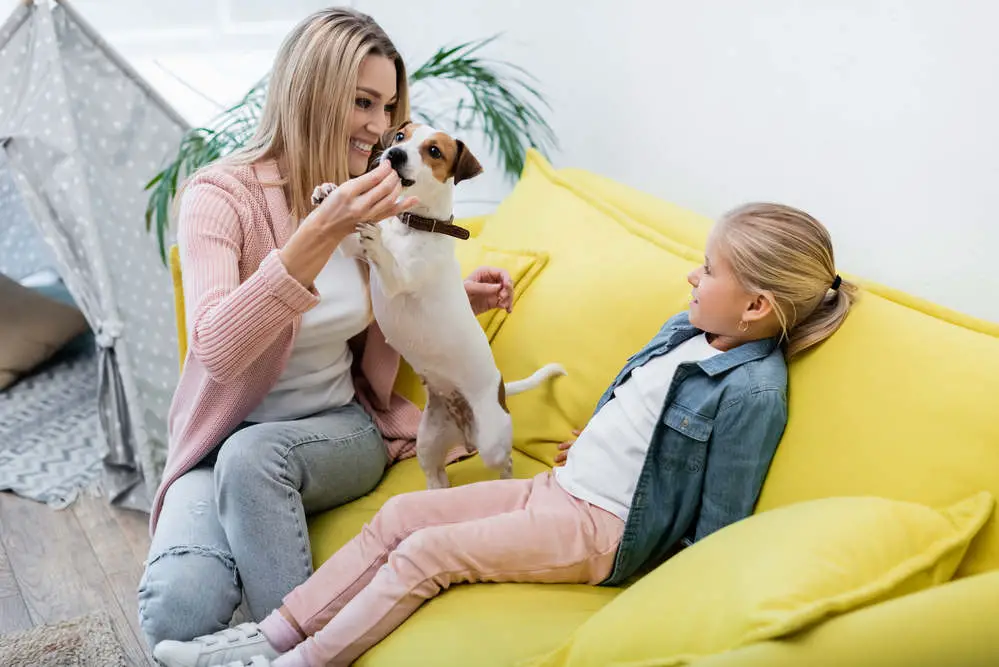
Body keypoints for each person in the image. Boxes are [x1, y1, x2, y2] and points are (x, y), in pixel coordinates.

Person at [151, 202, 857, 667]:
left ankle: (297, 664)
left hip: (601, 532)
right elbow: (636, 399)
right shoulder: (689, 329)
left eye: (707, 270)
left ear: (758, 304)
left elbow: (720, 519)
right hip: (557, 488)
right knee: (398, 514)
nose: (691, 274)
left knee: (428, 552)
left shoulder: (754, 391)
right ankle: (266, 635)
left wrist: (670, 600)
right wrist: (597, 435)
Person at [137, 7, 515, 650]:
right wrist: (316, 235)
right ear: (309, 92)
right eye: (361, 102)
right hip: (224, 438)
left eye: (387, 105)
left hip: (338, 429)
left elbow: (399, 287)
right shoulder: (220, 196)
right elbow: (218, 351)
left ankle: (299, 649)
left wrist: (457, 295)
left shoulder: (381, 189)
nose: (377, 127)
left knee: (254, 458)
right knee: (176, 614)